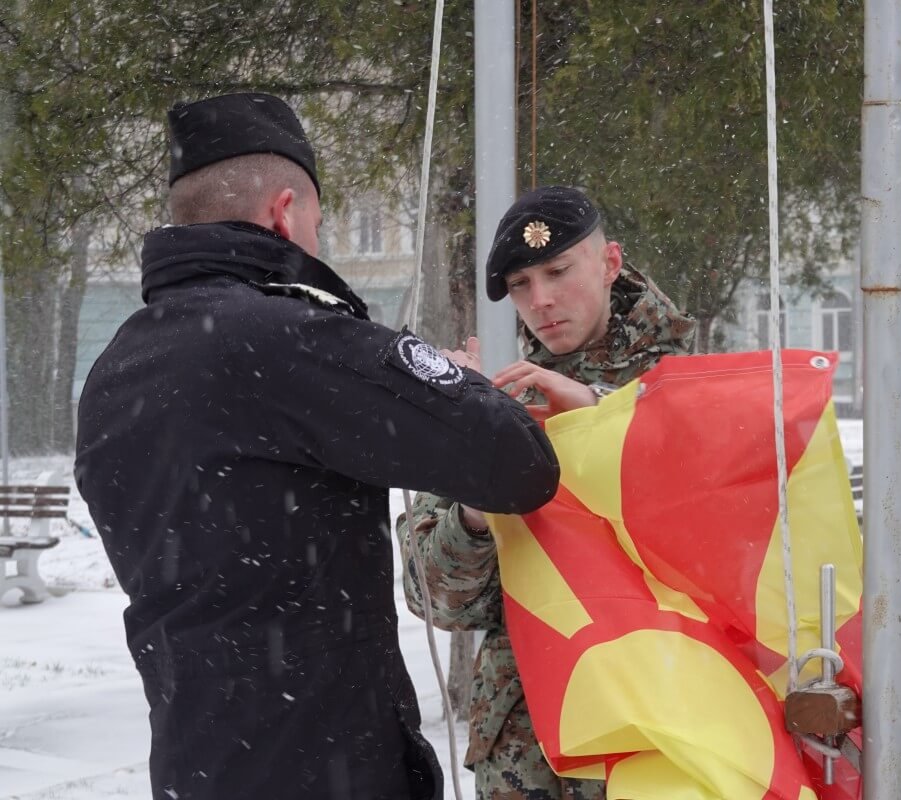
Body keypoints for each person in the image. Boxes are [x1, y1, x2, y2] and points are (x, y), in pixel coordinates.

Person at [74, 93, 561, 800]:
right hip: (321, 763)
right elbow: (517, 464)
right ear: (283, 212)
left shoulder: (116, 369)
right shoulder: (283, 338)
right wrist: (471, 384)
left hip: (197, 759)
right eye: (319, 225)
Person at [401, 186, 696, 799]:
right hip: (530, 754)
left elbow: (712, 541)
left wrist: (595, 418)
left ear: (610, 263)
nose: (541, 301)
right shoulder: (497, 406)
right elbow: (440, 603)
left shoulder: (693, 388)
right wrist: (481, 483)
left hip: (665, 731)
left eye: (558, 271)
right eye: (520, 284)